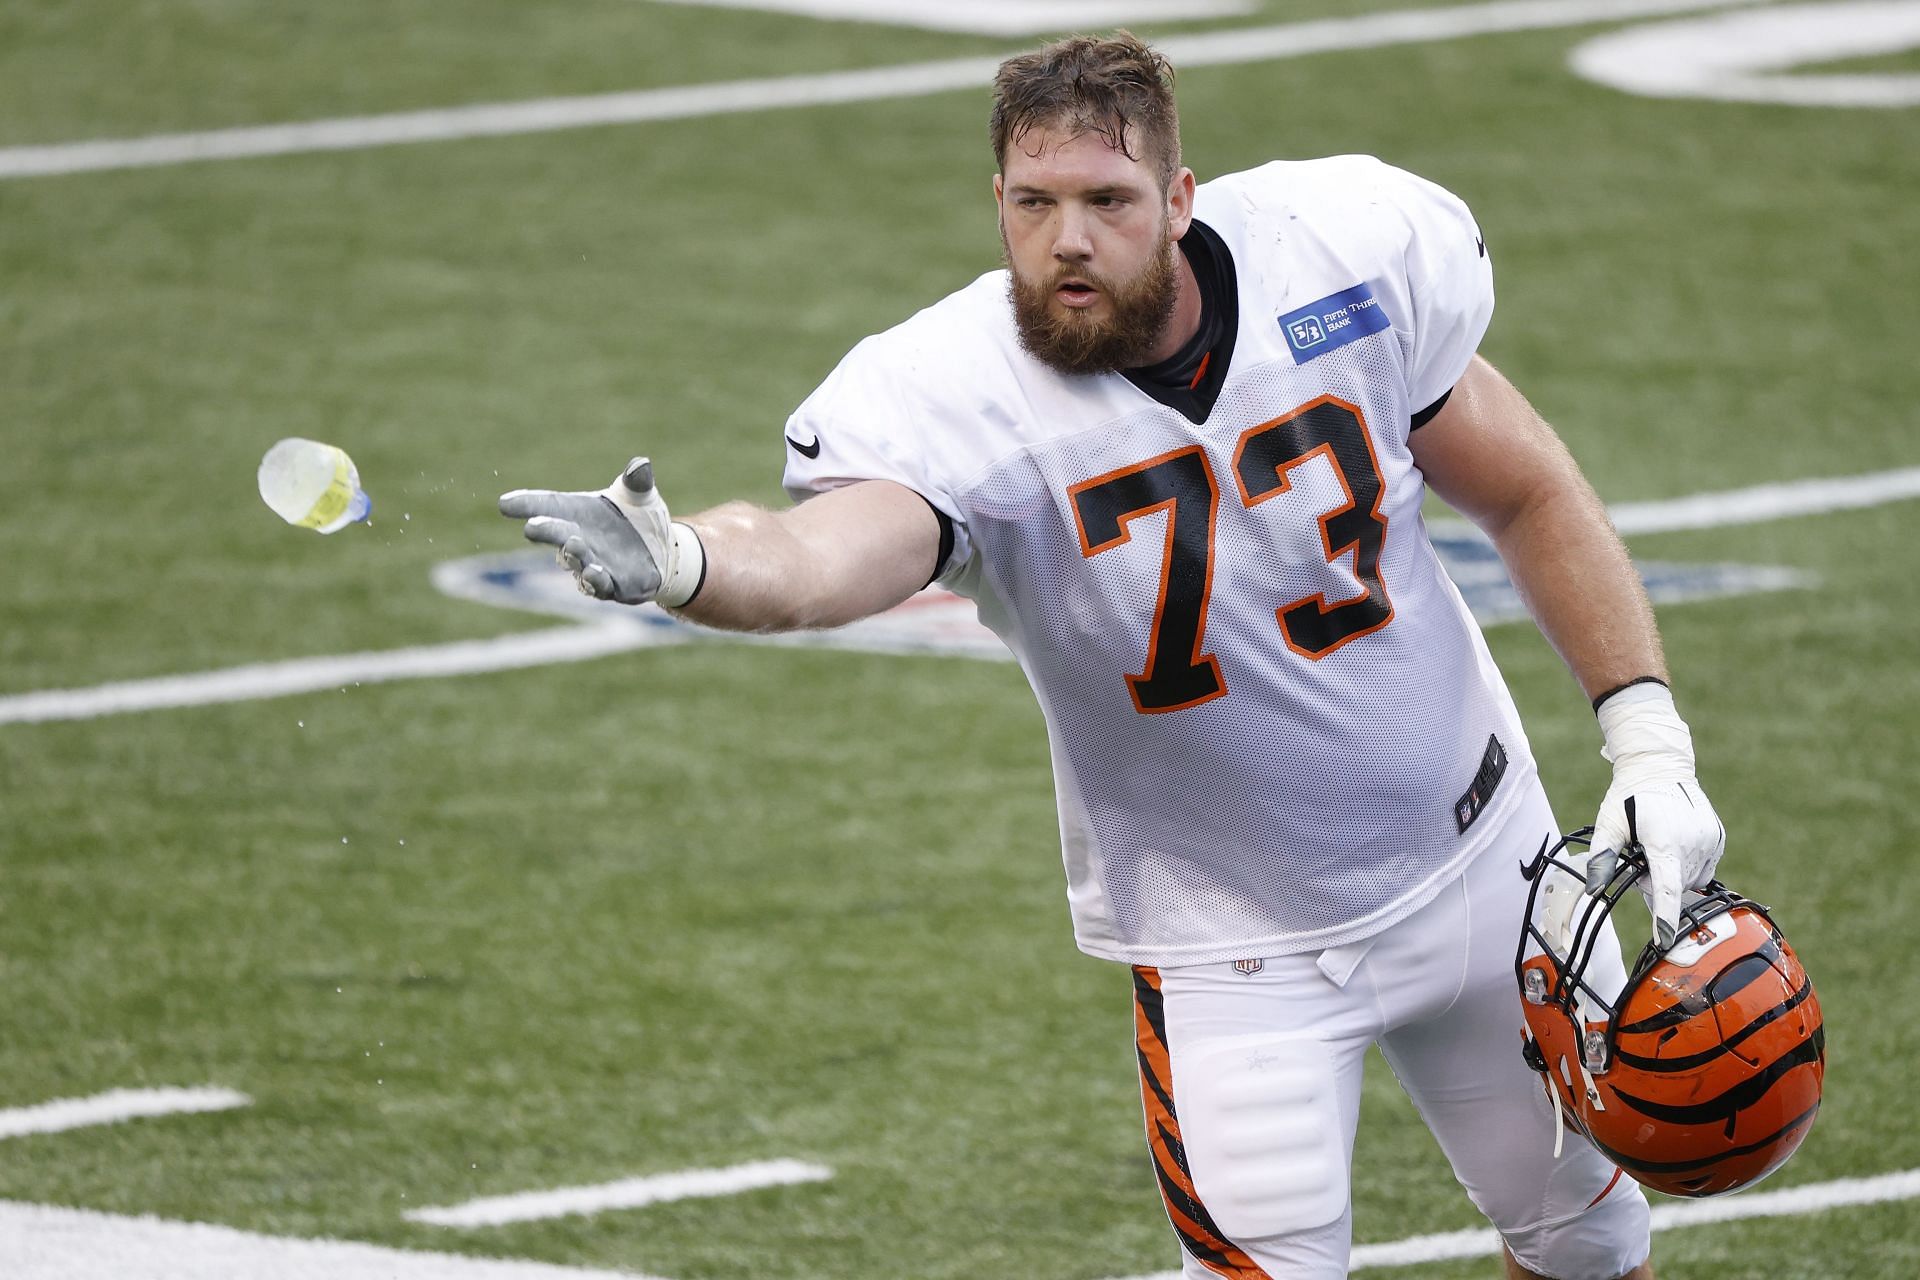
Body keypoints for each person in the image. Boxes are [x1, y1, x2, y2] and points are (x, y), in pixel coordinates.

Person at [500, 32, 1726, 1280]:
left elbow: (1530, 494)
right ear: (997, 205)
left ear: (1182, 201)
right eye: (1034, 204)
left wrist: (1649, 741)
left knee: (1592, 1246)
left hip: (1483, 862)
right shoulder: (956, 391)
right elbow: (818, 558)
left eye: (1107, 201)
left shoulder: (1342, 250)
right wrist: (694, 561)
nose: (1068, 239)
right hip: (1231, 950)